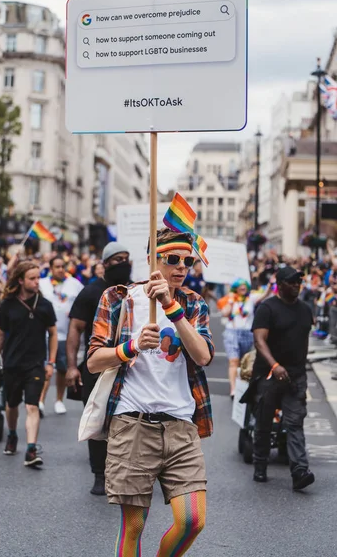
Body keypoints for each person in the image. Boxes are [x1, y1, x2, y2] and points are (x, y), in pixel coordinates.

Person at [87, 229, 214, 556]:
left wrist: (171, 308)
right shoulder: (118, 298)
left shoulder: (193, 303)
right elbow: (93, 361)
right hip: (132, 422)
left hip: (181, 425)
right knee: (134, 526)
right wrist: (130, 347)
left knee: (192, 521)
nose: (181, 266)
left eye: (187, 261)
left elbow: (202, 356)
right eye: (172, 259)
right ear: (150, 260)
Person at [66, 241, 131, 496]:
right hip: (96, 367)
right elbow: (75, 328)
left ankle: (125, 471)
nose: (123, 264)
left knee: (125, 420)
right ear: (105, 264)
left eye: (126, 258)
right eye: (117, 259)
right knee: (97, 421)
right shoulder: (90, 292)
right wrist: (72, 366)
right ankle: (99, 474)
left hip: (127, 366)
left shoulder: (133, 290)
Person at [0, 262, 57, 467]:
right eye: (32, 278)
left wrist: (50, 362)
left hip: (35, 364)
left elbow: (52, 334)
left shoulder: (45, 305)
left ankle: (31, 449)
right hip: (12, 363)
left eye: (38, 278)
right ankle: (13, 435)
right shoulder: (7, 305)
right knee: (12, 404)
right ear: (21, 280)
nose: (36, 282)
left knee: (32, 405)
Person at [251, 266, 315, 490]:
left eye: (299, 281)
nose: (297, 285)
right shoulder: (267, 308)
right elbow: (259, 341)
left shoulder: (306, 309)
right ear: (280, 284)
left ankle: (299, 470)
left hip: (295, 376)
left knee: (295, 422)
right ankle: (260, 465)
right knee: (264, 422)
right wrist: (275, 365)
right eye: (292, 282)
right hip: (270, 374)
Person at [39, 255, 83, 415]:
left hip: (65, 334)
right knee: (45, 367)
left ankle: (59, 400)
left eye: (62, 266)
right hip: (44, 334)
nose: (60, 269)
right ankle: (40, 401)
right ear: (50, 269)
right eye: (56, 267)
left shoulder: (74, 284)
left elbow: (82, 302)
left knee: (63, 369)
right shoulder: (42, 284)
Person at [221, 278, 273, 398]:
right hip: (232, 333)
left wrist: (270, 286)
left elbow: (265, 295)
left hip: (247, 334)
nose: (242, 288)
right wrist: (230, 300)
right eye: (240, 286)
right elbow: (225, 313)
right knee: (233, 361)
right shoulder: (231, 299)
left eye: (244, 286)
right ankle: (233, 389)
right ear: (236, 288)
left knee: (244, 363)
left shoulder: (251, 298)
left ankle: (242, 387)